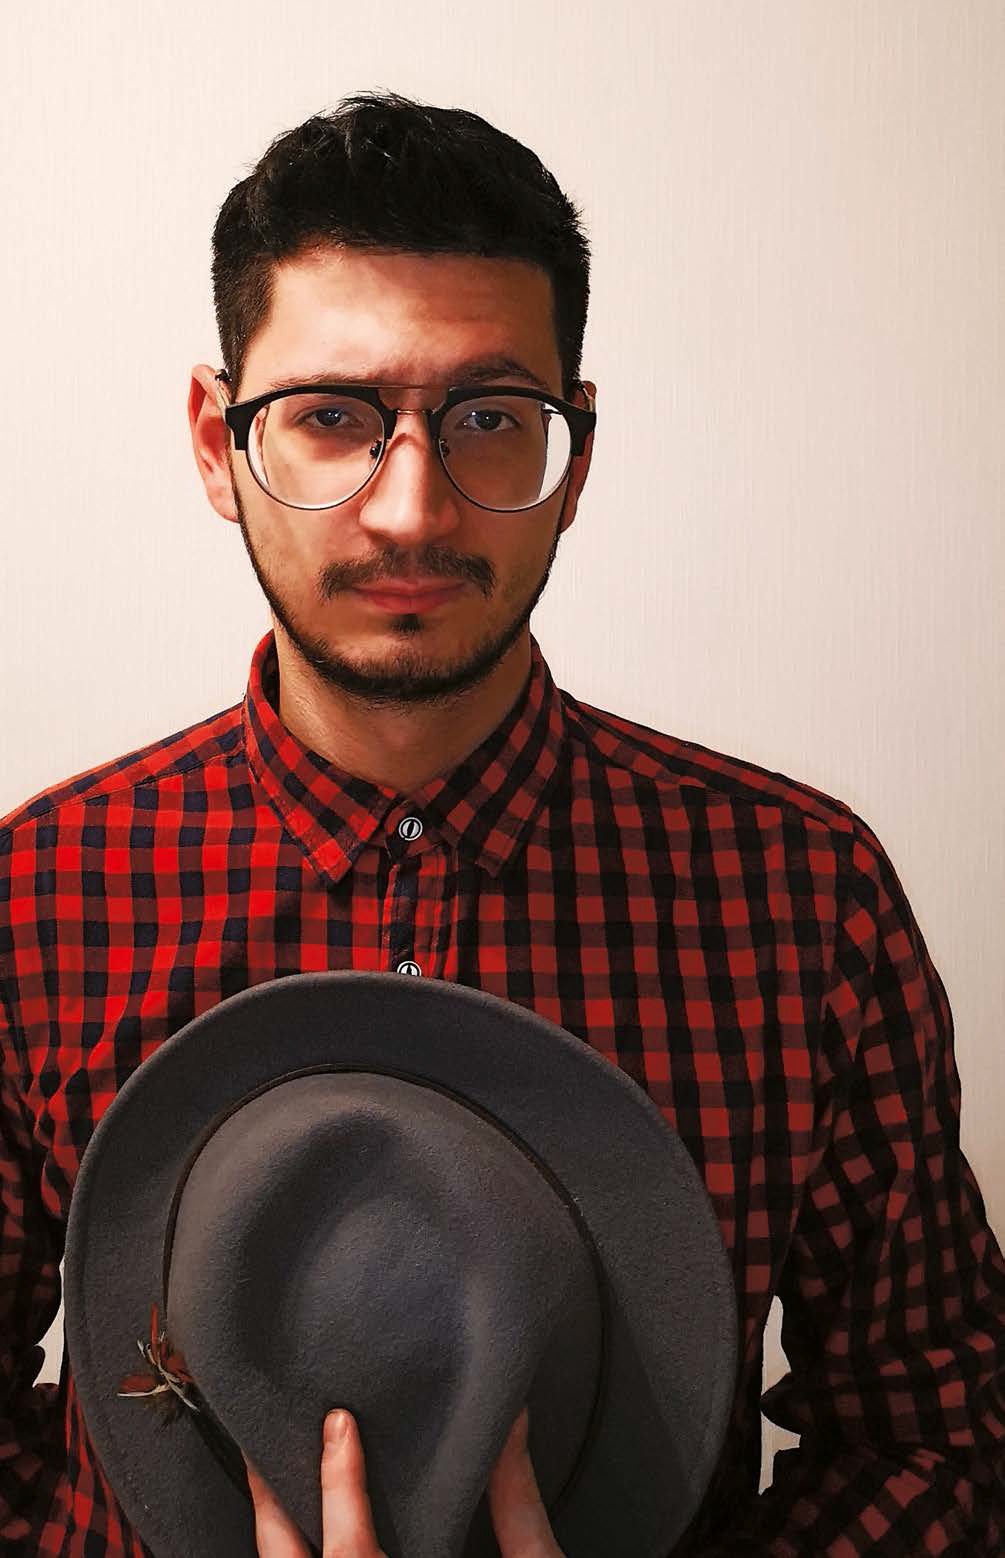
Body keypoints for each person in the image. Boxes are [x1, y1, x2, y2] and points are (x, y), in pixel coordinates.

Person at [0, 88, 1003, 1557]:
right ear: (218, 443)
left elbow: (934, 1432)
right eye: (330, 418)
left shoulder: (804, 897)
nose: (411, 510)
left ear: (573, 457)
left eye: (487, 420)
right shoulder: (37, 898)